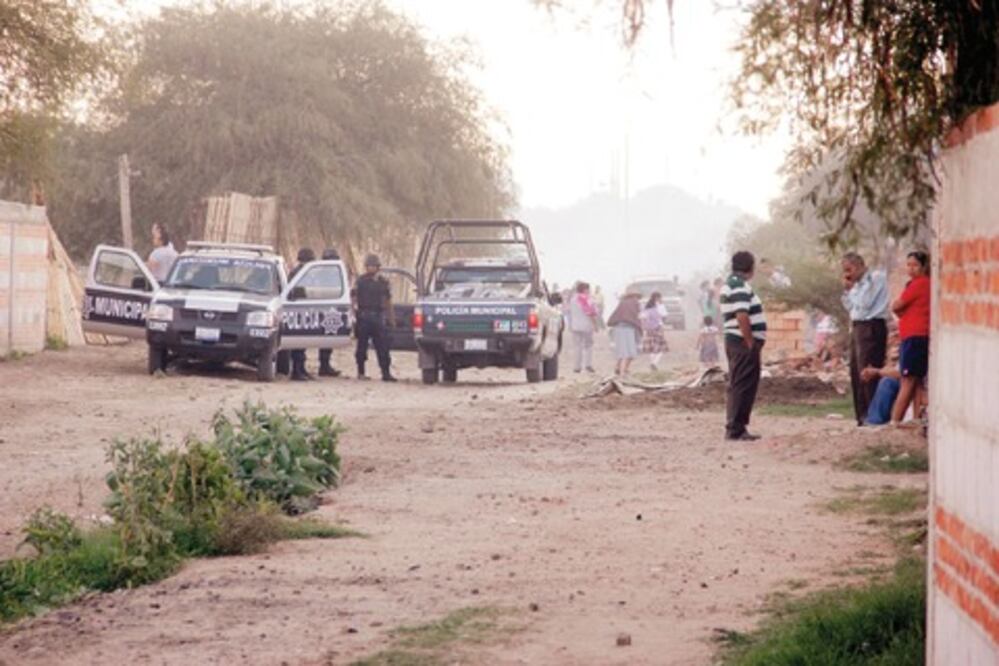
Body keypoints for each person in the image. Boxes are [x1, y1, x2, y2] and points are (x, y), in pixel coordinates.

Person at [720, 251, 767, 441]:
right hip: (741, 342)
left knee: (739, 383)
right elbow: (742, 315)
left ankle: (736, 426)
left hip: (736, 340)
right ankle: (736, 428)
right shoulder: (739, 286)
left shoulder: (731, 284)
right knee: (743, 384)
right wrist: (750, 342)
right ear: (750, 267)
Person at [841, 252, 890, 426]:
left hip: (871, 326)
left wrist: (853, 290)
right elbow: (850, 307)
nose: (848, 274)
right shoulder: (857, 285)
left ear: (860, 266)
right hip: (857, 326)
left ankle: (873, 415)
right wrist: (848, 291)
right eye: (845, 271)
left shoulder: (875, 279)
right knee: (856, 371)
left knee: (868, 370)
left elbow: (865, 303)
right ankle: (861, 415)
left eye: (850, 270)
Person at [890, 251, 931, 424]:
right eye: (908, 265)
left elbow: (896, 306)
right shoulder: (921, 284)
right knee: (916, 382)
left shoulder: (919, 284)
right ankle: (916, 419)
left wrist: (901, 310)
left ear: (923, 266)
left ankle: (895, 421)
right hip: (915, 336)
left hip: (915, 337)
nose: (911, 269)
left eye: (915, 265)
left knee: (907, 381)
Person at [352, 253, 396, 382]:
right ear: (366, 267)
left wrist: (391, 319)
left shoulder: (383, 282)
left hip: (378, 317)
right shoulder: (360, 281)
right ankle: (361, 372)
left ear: (378, 267)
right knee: (361, 347)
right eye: (369, 265)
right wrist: (353, 316)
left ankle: (386, 373)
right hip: (364, 317)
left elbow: (388, 301)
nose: (371, 268)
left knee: (383, 347)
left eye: (373, 266)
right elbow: (353, 299)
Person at [288, 247, 316, 381]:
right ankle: (296, 371)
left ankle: (301, 369)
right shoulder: (298, 273)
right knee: (298, 343)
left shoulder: (303, 272)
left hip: (304, 309)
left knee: (303, 342)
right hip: (298, 310)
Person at [317, 248, 343, 378]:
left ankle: (325, 365)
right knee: (324, 339)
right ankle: (323, 365)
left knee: (328, 339)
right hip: (321, 309)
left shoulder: (335, 274)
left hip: (331, 309)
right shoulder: (320, 274)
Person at [607, 292, 642, 377]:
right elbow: (636, 317)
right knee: (628, 354)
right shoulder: (634, 303)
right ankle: (622, 373)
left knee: (624, 352)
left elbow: (614, 317)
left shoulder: (622, 303)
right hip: (628, 329)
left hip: (619, 329)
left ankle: (619, 369)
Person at [568, 281, 599, 373]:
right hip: (586, 325)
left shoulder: (573, 299)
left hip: (575, 325)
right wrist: (595, 325)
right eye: (588, 289)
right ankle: (588, 365)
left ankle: (577, 367)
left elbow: (569, 312)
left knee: (577, 346)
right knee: (588, 345)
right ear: (585, 290)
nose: (589, 291)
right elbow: (591, 313)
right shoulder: (587, 299)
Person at [640, 292, 668, 371]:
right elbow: (664, 316)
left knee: (651, 347)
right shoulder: (660, 306)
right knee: (661, 347)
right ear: (658, 298)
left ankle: (652, 362)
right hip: (658, 328)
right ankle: (654, 363)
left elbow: (642, 317)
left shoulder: (646, 306)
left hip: (648, 329)